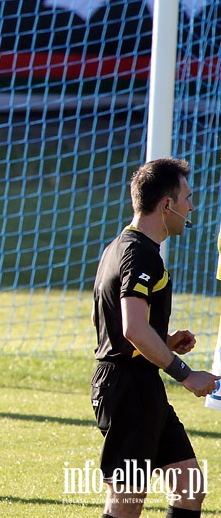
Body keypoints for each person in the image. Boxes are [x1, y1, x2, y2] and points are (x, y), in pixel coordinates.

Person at [90, 158, 217, 518]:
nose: (191, 206)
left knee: (190, 488)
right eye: (187, 198)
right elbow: (132, 329)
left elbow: (122, 328)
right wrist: (186, 374)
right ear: (166, 205)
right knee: (128, 503)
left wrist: (164, 340)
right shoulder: (141, 254)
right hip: (127, 389)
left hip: (140, 385)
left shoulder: (120, 245)